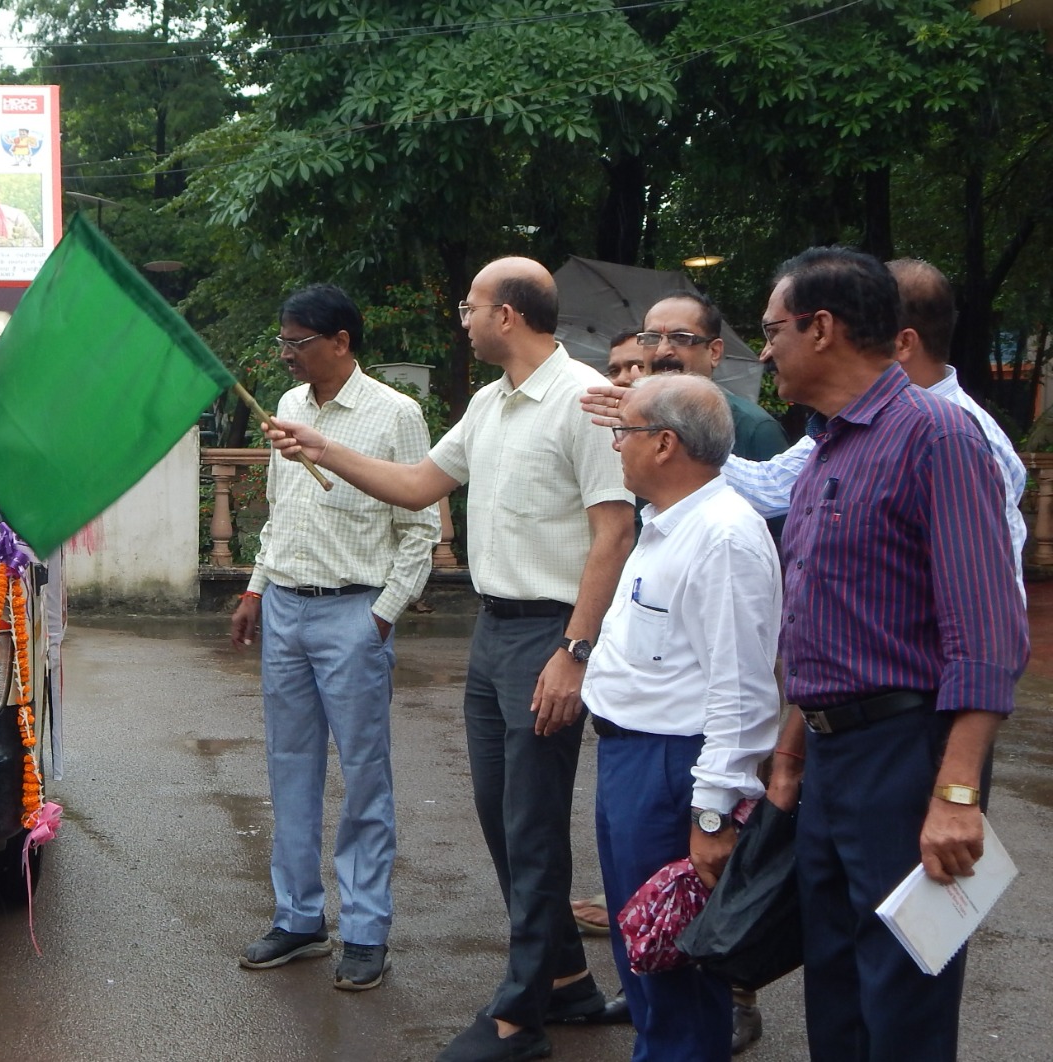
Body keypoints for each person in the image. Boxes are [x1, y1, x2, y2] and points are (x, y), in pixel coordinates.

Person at [265, 257, 636, 1062]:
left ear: (507, 315)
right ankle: (567, 982)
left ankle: (518, 1019)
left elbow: (615, 531)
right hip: (494, 629)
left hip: (549, 634)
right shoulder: (490, 403)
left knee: (533, 826)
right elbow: (415, 484)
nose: (461, 320)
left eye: (470, 307)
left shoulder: (582, 399)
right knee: (502, 821)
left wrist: (575, 650)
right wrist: (322, 448)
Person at [757, 248, 1027, 1062]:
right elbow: (825, 624)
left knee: (902, 996)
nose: (765, 350)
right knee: (836, 989)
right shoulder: (827, 450)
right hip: (831, 759)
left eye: (773, 329)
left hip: (907, 758)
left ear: (822, 327)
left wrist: (957, 793)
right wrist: (792, 752)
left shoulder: (937, 436)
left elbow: (987, 634)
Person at [230, 284, 439, 992]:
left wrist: (382, 615)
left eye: (298, 343)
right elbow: (282, 511)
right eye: (283, 342)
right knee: (288, 766)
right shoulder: (289, 405)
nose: (286, 355)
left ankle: (367, 929)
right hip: (286, 609)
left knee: (364, 775)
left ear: (341, 342)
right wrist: (256, 588)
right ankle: (298, 918)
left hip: (354, 613)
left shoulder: (395, 414)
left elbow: (420, 528)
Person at [584, 373, 782, 1062]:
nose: (616, 445)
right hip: (633, 760)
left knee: (677, 969)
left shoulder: (723, 536)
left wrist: (713, 815)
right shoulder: (668, 523)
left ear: (665, 443)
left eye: (625, 432)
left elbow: (743, 690)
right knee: (643, 950)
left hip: (673, 769)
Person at [717, 259, 1028, 589]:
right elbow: (771, 485)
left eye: (858, 330)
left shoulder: (951, 436)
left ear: (901, 343)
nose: (765, 353)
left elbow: (988, 597)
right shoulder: (848, 421)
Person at [640, 292, 789, 462]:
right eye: (651, 338)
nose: (661, 351)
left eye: (681, 338)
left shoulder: (753, 430)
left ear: (714, 351)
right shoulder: (632, 423)